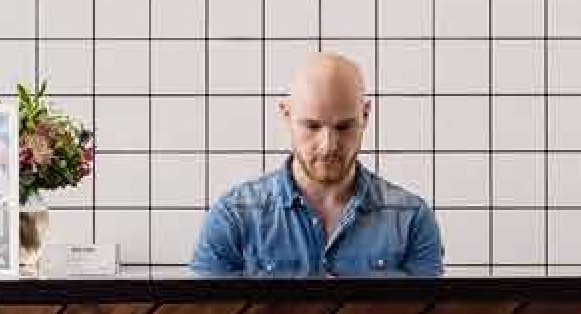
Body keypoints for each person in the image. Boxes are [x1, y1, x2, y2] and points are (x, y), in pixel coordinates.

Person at [189, 52, 444, 276]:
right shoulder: (233, 218)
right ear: (286, 115)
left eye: (343, 127)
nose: (328, 145)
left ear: (365, 116)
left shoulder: (412, 220)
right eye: (312, 126)